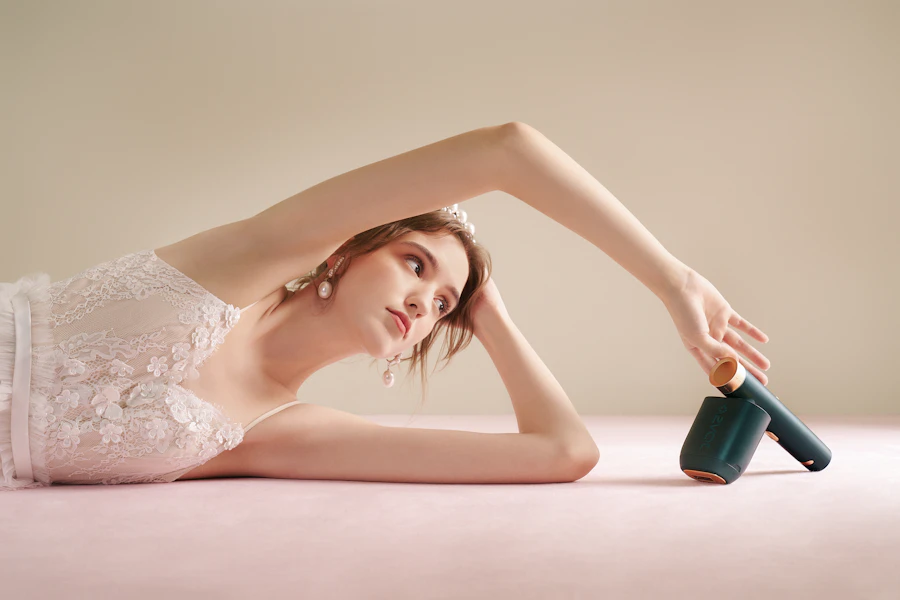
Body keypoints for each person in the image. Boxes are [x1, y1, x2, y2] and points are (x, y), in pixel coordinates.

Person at [0, 121, 771, 490]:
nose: (422, 300)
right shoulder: (246, 261)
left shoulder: (271, 435)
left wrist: (487, 314)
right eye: (413, 263)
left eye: (441, 304)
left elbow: (561, 454)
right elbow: (506, 150)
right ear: (338, 252)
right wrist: (672, 280)